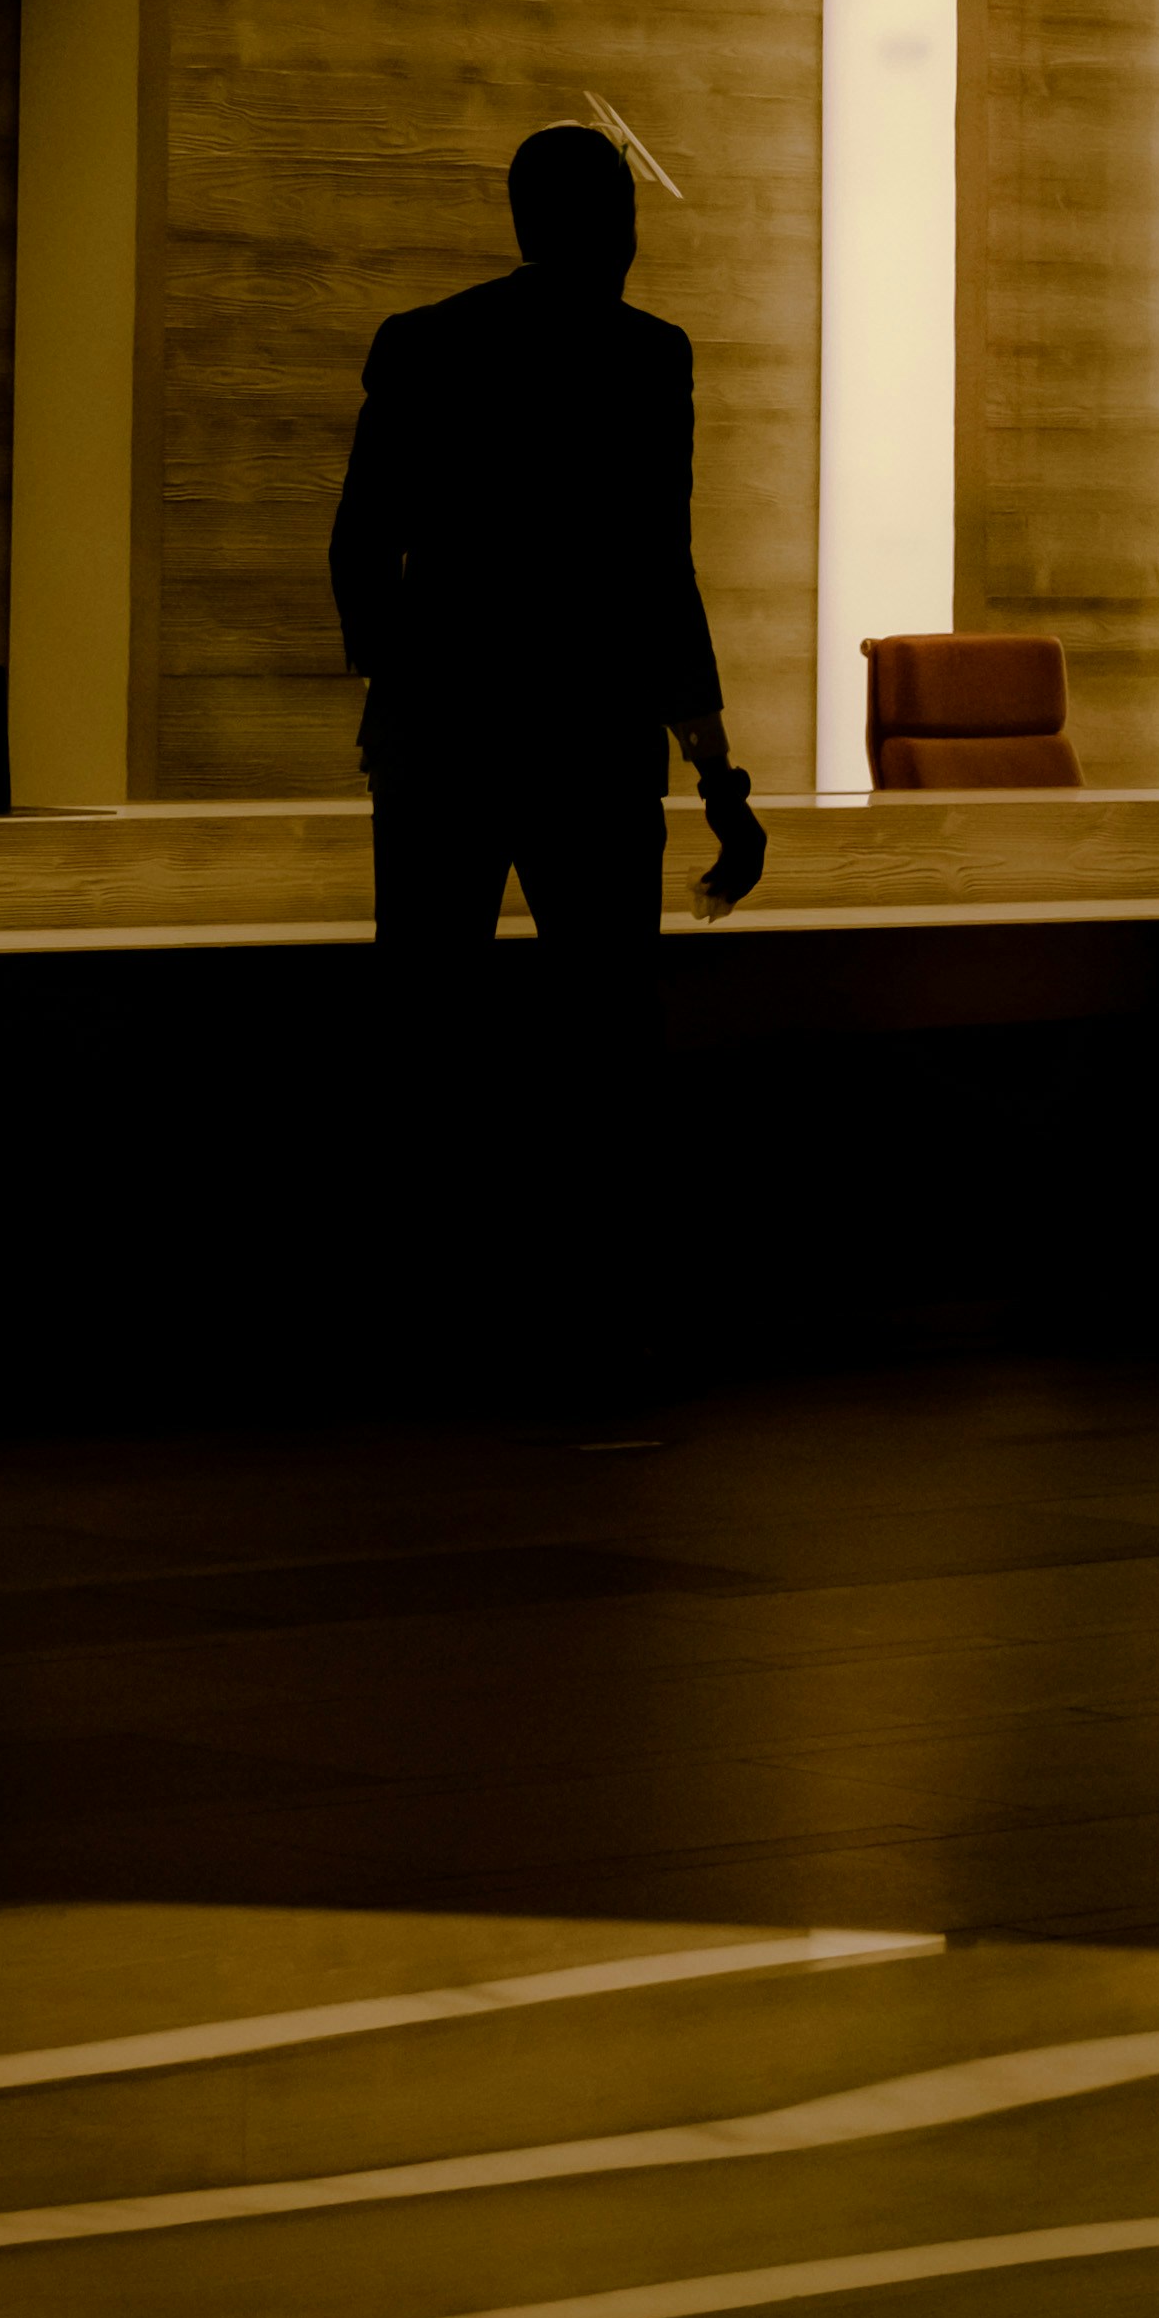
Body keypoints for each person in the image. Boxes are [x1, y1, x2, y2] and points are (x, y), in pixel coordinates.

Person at [328, 121, 766, 1420]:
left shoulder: (423, 344)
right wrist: (714, 764)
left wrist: (410, 687)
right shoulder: (647, 360)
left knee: (424, 1037)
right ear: (617, 226)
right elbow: (656, 570)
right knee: (605, 1046)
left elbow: (362, 547)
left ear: (522, 224)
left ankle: (418, 1334)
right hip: (589, 746)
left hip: (440, 743)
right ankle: (600, 1338)